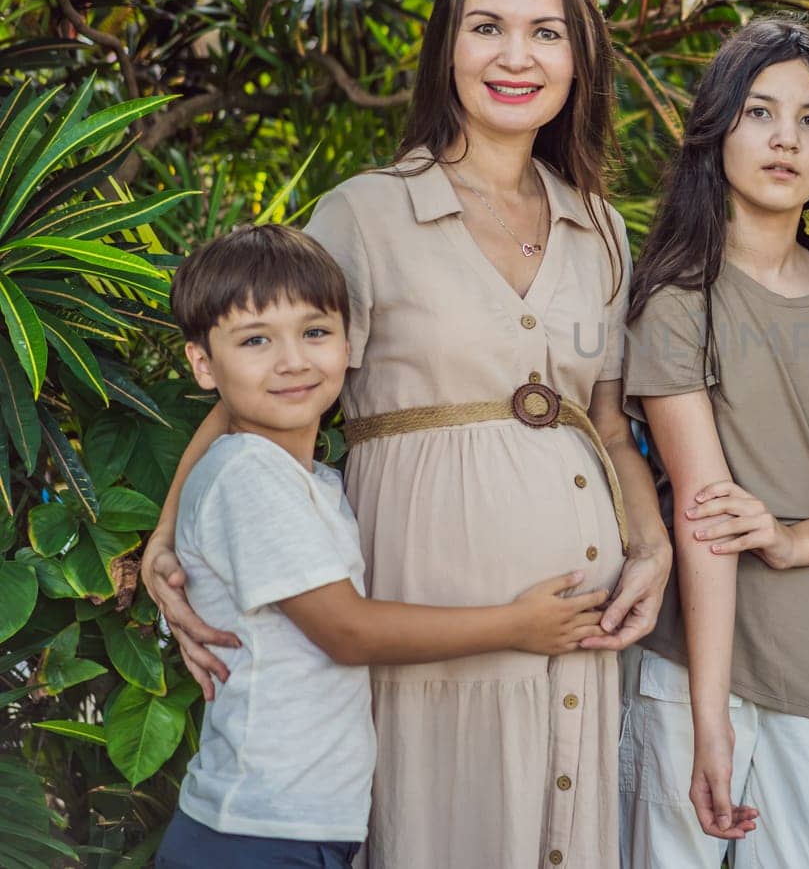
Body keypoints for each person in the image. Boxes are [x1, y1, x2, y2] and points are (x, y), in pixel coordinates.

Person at [140, 0, 673, 869]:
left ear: (579, 58)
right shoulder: (366, 211)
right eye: (487, 27)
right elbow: (256, 387)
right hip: (428, 598)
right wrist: (165, 537)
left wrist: (652, 545)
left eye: (547, 32)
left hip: (580, 625)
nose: (517, 56)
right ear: (448, 49)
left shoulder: (601, 229)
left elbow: (607, 424)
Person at [155, 225, 613, 869]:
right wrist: (518, 625)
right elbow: (346, 631)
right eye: (256, 340)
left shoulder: (312, 481)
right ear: (203, 363)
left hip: (295, 824)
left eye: (315, 333)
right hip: (255, 833)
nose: (293, 360)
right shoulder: (248, 476)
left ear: (351, 343)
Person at [618, 18, 809, 867]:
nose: (786, 138)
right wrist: (710, 722)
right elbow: (704, 519)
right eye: (759, 113)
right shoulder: (675, 301)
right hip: (690, 676)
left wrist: (789, 539)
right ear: (717, 134)